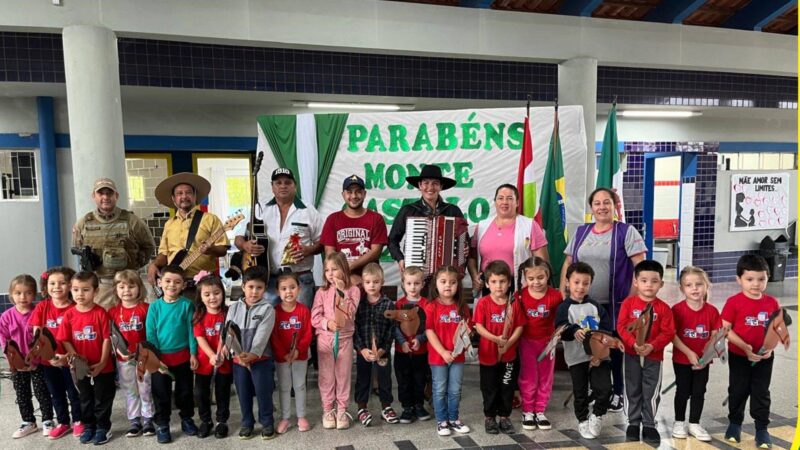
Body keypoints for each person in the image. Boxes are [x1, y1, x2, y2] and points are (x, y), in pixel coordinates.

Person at [560, 187, 646, 412]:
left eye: (606, 202)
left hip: (614, 306)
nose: (601, 207)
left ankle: (617, 392)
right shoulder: (581, 232)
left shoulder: (626, 232)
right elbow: (569, 263)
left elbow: (641, 268)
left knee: (613, 349)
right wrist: (564, 290)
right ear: (591, 208)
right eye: (597, 203)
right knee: (587, 348)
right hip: (584, 306)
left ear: (615, 205)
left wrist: (631, 300)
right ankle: (596, 390)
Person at [234, 167, 323, 307]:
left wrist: (308, 250)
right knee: (269, 324)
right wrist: (246, 245)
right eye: (278, 182)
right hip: (270, 280)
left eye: (287, 182)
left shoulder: (309, 211)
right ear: (272, 186)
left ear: (295, 186)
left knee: (300, 322)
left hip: (300, 279)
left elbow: (322, 243)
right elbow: (238, 237)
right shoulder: (260, 209)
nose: (283, 186)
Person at [721, 255, 781, 448]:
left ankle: (762, 429)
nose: (756, 284)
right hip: (739, 356)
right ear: (739, 279)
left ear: (768, 278)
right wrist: (745, 348)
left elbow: (777, 329)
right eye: (750, 279)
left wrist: (770, 348)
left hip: (764, 358)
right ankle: (735, 423)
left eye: (761, 279)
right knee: (738, 390)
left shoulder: (772, 303)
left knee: (761, 392)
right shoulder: (733, 302)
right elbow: (726, 330)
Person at [616, 260, 675, 446]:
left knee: (650, 390)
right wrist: (633, 343)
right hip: (632, 354)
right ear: (636, 282)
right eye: (644, 280)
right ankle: (633, 423)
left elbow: (668, 332)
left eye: (654, 281)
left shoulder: (664, 308)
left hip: (653, 357)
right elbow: (621, 326)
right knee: (632, 388)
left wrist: (653, 346)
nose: (649, 285)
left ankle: (649, 424)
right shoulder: (628, 303)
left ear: (661, 284)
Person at [72, 178, 156, 310]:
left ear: (116, 196)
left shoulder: (132, 220)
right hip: (102, 284)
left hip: (129, 284)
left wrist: (135, 265)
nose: (105, 197)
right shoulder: (83, 223)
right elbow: (78, 247)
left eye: (109, 193)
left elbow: (148, 246)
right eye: (101, 193)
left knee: (134, 323)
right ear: (94, 196)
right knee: (103, 324)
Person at [554, 262, 614, 440]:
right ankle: (582, 420)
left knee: (605, 389)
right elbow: (561, 329)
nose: (580, 287)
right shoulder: (564, 307)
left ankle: (597, 415)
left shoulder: (596, 306)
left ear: (590, 284)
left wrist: (598, 354)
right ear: (567, 283)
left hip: (599, 358)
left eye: (585, 283)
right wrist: (573, 330)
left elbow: (607, 331)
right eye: (576, 282)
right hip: (576, 358)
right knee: (580, 392)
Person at [147, 173, 230, 297]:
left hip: (204, 284)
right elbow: (164, 254)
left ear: (195, 196)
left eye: (188, 192)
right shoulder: (169, 224)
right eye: (179, 193)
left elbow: (223, 249)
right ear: (173, 199)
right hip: (175, 285)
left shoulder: (210, 219)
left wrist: (210, 249)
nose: (184, 196)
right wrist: (153, 264)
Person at [58, 271, 115, 445]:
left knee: (102, 397)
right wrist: (76, 359)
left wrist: (103, 362)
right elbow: (65, 339)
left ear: (96, 291)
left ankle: (103, 427)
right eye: (75, 290)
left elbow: (107, 339)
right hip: (80, 367)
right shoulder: (69, 314)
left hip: (102, 366)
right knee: (85, 397)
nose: (80, 294)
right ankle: (89, 425)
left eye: (85, 290)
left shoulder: (101, 313)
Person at [145, 265, 199, 444]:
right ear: (160, 283)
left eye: (177, 282)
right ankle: (162, 424)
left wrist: (193, 353)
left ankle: (186, 418)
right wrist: (156, 359)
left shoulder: (187, 305)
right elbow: (151, 334)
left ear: (184, 285)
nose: (172, 285)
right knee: (161, 393)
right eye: (167, 281)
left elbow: (192, 331)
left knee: (185, 391)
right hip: (160, 360)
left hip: (183, 357)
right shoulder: (154, 308)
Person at [388, 165, 466, 285]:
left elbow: (465, 241)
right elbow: (392, 240)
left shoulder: (453, 211)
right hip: (417, 278)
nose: (430, 187)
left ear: (441, 186)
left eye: (435, 183)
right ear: (420, 185)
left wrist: (463, 248)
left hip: (447, 279)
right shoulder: (408, 210)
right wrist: (400, 259)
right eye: (426, 183)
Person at [29, 267, 82, 440]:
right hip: (49, 362)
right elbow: (38, 336)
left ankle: (79, 421)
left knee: (74, 392)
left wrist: (66, 357)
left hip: (70, 360)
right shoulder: (42, 307)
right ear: (46, 286)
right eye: (52, 283)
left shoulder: (76, 307)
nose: (57, 287)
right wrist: (48, 356)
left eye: (62, 283)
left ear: (70, 285)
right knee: (56, 393)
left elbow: (80, 338)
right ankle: (63, 422)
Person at [225, 266, 277, 440]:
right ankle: (247, 422)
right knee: (243, 392)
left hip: (261, 359)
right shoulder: (232, 309)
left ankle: (267, 422)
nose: (254, 292)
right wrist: (233, 352)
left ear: (265, 288)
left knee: (264, 391)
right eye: (251, 287)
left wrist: (254, 354)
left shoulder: (268, 309)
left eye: (259, 288)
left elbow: (263, 335)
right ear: (243, 286)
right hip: (238, 360)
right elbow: (228, 333)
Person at [0, 274, 54, 439]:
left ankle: (47, 420)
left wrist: (37, 359)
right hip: (18, 364)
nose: (23, 297)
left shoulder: (37, 314)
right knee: (22, 393)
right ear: (11, 294)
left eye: (28, 293)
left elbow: (42, 339)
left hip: (37, 362)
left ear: (34, 294)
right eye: (18, 293)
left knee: (42, 391)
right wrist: (14, 361)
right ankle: (28, 422)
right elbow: (4, 340)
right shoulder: (6, 317)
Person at [473, 261, 524, 435]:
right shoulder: (483, 303)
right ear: (487, 284)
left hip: (509, 354)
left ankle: (504, 416)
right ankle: (489, 417)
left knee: (506, 386)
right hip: (488, 354)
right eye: (494, 282)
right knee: (489, 386)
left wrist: (509, 343)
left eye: (502, 281)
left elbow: (519, 327)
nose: (498, 286)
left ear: (509, 282)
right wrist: (495, 339)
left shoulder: (514, 303)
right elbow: (479, 327)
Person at [468, 184, 548, 293]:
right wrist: (474, 276)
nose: (504, 202)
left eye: (510, 198)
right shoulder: (482, 226)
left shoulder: (530, 225)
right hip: (488, 286)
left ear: (517, 203)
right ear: (495, 202)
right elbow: (471, 257)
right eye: (500, 198)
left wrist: (533, 282)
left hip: (520, 286)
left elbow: (542, 262)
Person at [311, 252, 360, 430]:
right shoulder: (321, 292)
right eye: (327, 270)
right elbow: (315, 317)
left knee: (343, 375)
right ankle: (328, 409)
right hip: (325, 339)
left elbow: (351, 313)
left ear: (344, 269)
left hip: (345, 340)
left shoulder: (353, 290)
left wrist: (342, 293)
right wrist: (327, 323)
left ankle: (341, 409)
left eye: (334, 269)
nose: (330, 273)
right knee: (326, 376)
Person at [670, 266, 718, 442]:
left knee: (699, 391)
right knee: (682, 390)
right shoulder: (676, 310)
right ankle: (679, 422)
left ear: (707, 286)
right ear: (682, 288)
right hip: (682, 359)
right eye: (689, 285)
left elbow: (715, 336)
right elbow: (672, 336)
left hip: (703, 362)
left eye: (699, 284)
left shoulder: (712, 311)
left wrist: (706, 357)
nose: (695, 288)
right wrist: (689, 352)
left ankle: (694, 423)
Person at [516, 257, 563, 431]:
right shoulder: (519, 296)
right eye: (531, 279)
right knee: (529, 376)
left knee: (546, 377)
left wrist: (557, 335)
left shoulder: (556, 296)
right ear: (525, 278)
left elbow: (561, 320)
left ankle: (540, 410)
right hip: (527, 342)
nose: (536, 282)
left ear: (547, 275)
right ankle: (528, 410)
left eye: (540, 278)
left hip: (547, 343)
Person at [425, 265, 472, 437]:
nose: (448, 286)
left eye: (452, 282)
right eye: (443, 282)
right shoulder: (431, 307)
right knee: (439, 389)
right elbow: (429, 331)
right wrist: (443, 352)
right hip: (439, 357)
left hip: (458, 357)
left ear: (458, 285)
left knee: (455, 389)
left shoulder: (462, 307)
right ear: (435, 284)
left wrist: (465, 341)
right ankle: (442, 421)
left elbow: (467, 330)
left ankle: (454, 419)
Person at [108, 270, 155, 438]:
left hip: (144, 358)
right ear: (115, 290)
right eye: (122, 287)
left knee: (145, 388)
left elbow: (150, 334)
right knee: (130, 390)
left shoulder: (146, 308)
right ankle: (135, 420)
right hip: (124, 358)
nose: (126, 290)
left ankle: (148, 419)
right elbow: (112, 337)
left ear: (139, 288)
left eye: (131, 286)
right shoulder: (112, 312)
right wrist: (121, 353)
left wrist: (144, 353)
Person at [321, 174, 388, 285]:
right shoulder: (332, 219)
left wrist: (350, 266)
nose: (354, 196)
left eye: (358, 191)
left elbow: (376, 252)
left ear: (364, 194)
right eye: (349, 192)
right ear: (343, 195)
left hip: (369, 281)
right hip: (340, 279)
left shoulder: (376, 219)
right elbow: (330, 253)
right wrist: (345, 272)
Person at [354, 263, 398, 427]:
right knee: (363, 379)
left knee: (384, 379)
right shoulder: (359, 304)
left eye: (375, 281)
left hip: (382, 352)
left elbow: (391, 330)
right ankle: (362, 408)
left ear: (382, 282)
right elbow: (355, 329)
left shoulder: (388, 304)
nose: (371, 285)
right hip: (363, 352)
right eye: (368, 282)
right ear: (363, 283)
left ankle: (386, 407)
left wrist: (382, 349)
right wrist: (362, 349)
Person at [271, 273, 313, 434]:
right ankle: (285, 418)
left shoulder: (303, 311)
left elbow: (308, 334)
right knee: (284, 387)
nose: (288, 292)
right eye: (284, 289)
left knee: (300, 386)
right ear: (277, 292)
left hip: (300, 356)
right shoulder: (275, 312)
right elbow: (273, 336)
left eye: (292, 287)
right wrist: (283, 354)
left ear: (299, 289)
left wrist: (298, 350)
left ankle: (301, 416)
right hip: (282, 358)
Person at [192, 273, 232, 439]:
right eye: (207, 294)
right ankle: (205, 421)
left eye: (216, 293)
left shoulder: (228, 313)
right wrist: (210, 355)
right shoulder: (199, 316)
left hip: (224, 361)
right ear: (201, 297)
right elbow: (200, 338)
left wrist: (222, 352)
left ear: (222, 293)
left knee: (223, 392)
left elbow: (230, 334)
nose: (212, 298)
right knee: (202, 393)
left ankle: (221, 422)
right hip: (204, 361)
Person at [392, 266, 432, 424]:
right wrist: (402, 342)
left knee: (419, 379)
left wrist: (420, 339)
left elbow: (429, 326)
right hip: (402, 352)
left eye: (416, 283)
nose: (413, 287)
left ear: (422, 284)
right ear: (403, 284)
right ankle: (407, 407)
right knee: (404, 380)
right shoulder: (399, 304)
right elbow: (394, 327)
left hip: (420, 351)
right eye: (409, 283)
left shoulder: (427, 304)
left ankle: (419, 405)